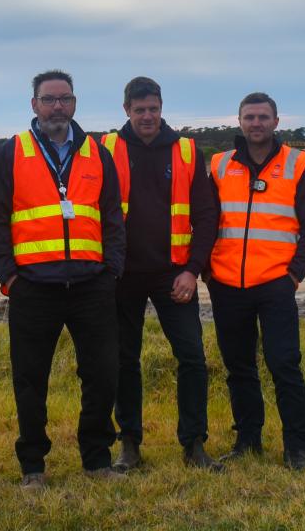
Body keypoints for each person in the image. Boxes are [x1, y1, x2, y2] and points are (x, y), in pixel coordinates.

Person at [0, 69, 126, 488]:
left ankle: (97, 460)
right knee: (30, 378)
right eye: (49, 99)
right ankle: (33, 467)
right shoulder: (11, 153)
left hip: (91, 286)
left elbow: (114, 215)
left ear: (75, 103)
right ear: (34, 105)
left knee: (101, 374)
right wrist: (9, 277)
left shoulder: (98, 154)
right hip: (33, 289)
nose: (57, 106)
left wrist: (112, 269)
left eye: (64, 99)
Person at [102, 77, 221, 471]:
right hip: (122, 275)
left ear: (161, 107)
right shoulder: (106, 148)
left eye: (153, 108)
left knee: (191, 359)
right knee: (124, 361)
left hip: (174, 275)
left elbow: (206, 217)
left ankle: (194, 445)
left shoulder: (186, 150)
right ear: (126, 111)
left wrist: (192, 269)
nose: (147, 116)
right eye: (139, 110)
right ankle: (129, 445)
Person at [207, 92, 305, 470]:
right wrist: (209, 272)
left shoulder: (298, 164)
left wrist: (293, 276)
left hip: (275, 284)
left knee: (284, 365)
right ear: (239, 121)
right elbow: (206, 222)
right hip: (227, 285)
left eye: (262, 117)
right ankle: (248, 440)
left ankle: (296, 448)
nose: (255, 123)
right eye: (249, 117)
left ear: (276, 122)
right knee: (239, 368)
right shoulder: (220, 165)